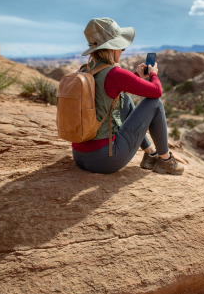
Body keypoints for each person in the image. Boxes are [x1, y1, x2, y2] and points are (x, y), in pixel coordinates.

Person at [70, 17, 184, 175]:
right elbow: (156, 91)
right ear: (112, 47)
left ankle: (150, 153)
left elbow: (109, 91)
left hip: (80, 156)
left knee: (125, 100)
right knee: (155, 103)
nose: (123, 51)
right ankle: (165, 160)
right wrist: (153, 75)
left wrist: (135, 76)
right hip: (105, 160)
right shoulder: (115, 73)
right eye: (121, 47)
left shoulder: (85, 71)